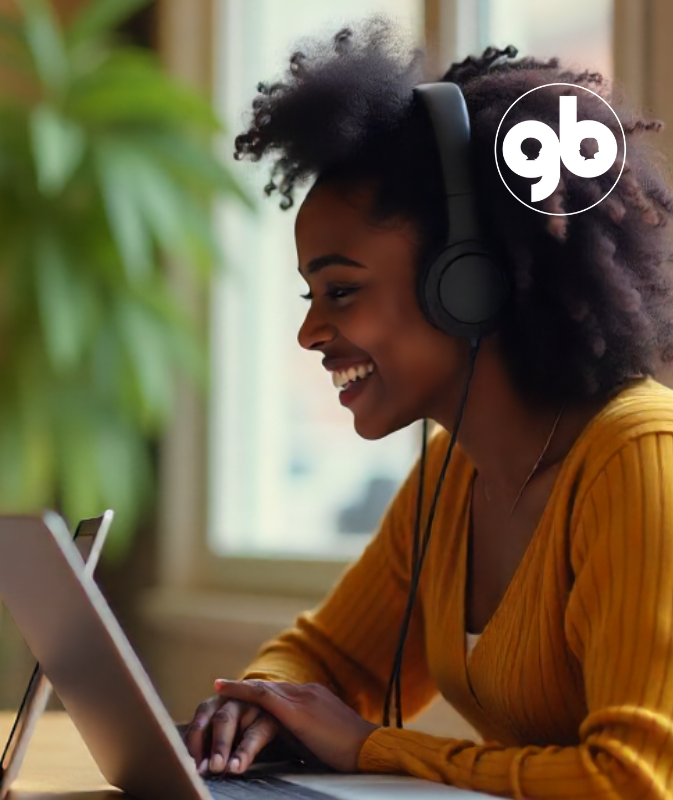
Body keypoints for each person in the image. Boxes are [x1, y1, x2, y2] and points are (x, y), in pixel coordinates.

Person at [183, 20, 673, 800]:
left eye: (341, 291)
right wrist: (260, 706)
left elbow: (635, 782)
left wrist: (373, 750)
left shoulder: (639, 458)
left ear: (467, 281)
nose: (310, 332)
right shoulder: (455, 472)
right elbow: (330, 662)